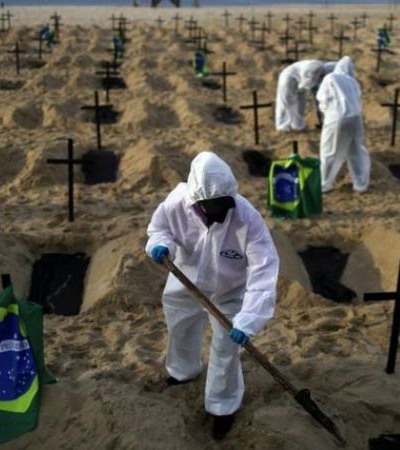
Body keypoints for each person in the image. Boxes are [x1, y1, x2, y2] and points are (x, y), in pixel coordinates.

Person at [145, 152, 279, 440]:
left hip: (229, 293)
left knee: (225, 349)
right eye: (214, 207)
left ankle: (221, 407)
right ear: (198, 202)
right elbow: (159, 229)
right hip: (185, 281)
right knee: (180, 329)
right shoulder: (177, 203)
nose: (222, 212)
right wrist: (159, 244)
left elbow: (263, 273)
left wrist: (248, 319)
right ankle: (183, 371)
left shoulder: (247, 218)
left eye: (225, 204)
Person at [316, 56, 370, 194]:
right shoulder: (353, 82)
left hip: (337, 118)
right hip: (356, 118)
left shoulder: (331, 78)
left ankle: (324, 184)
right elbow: (358, 99)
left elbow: (322, 98)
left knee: (329, 151)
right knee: (356, 150)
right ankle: (360, 184)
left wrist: (327, 112)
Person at [275, 59, 326, 132]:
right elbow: (308, 84)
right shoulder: (313, 69)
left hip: (301, 80)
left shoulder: (322, 69)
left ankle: (298, 126)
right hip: (288, 77)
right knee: (285, 101)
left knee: (300, 104)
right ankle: (282, 127)